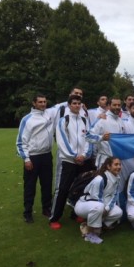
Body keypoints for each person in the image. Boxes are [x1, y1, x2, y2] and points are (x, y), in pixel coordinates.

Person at [50, 94, 93, 229]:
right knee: (63, 189)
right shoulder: (64, 121)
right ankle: (54, 218)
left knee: (80, 188)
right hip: (69, 161)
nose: (76, 106)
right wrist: (74, 156)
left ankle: (76, 214)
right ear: (69, 105)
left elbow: (89, 139)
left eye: (78, 103)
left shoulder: (85, 120)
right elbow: (62, 141)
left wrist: (84, 155)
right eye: (74, 103)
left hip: (83, 160)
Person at [16, 94, 54, 223]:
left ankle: (46, 208)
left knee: (47, 184)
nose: (43, 104)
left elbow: (63, 106)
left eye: (44, 101)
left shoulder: (48, 114)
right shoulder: (27, 119)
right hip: (33, 157)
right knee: (30, 186)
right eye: (40, 102)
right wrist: (26, 159)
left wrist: (81, 105)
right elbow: (21, 141)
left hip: (47, 155)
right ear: (34, 103)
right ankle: (27, 212)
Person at [74, 157, 123, 244]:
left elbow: (114, 196)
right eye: (116, 164)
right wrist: (104, 210)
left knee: (118, 212)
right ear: (108, 166)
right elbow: (96, 198)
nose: (119, 167)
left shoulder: (117, 178)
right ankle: (89, 234)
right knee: (99, 206)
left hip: (100, 206)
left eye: (119, 164)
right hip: (83, 205)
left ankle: (90, 225)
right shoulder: (100, 179)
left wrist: (107, 208)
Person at [86, 97, 125, 168]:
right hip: (104, 160)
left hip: (117, 161)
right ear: (109, 106)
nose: (117, 107)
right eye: (114, 105)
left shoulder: (121, 121)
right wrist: (102, 138)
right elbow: (88, 136)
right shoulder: (102, 119)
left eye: (119, 105)